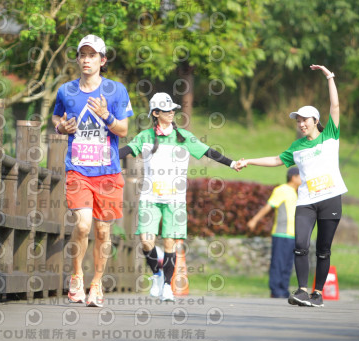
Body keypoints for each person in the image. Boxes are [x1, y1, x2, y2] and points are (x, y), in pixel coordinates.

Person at [236, 64, 347, 307]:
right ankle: (302, 290)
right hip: (306, 201)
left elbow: (335, 107)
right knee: (300, 245)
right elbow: (276, 160)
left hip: (330, 199)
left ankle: (317, 294)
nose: (300, 124)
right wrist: (249, 161)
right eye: (298, 121)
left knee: (323, 249)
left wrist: (329, 77)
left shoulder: (330, 135)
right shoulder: (296, 147)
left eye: (304, 120)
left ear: (315, 120)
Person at [119, 92, 239, 301]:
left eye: (173, 109)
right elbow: (127, 150)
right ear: (156, 113)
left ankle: (167, 285)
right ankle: (156, 275)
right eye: (167, 110)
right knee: (146, 241)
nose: (172, 112)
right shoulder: (145, 137)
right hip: (150, 197)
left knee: (169, 243)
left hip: (175, 200)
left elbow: (208, 151)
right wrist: (105, 156)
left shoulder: (184, 137)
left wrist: (231, 163)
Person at [52, 34, 133, 307]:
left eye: (92, 55)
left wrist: (106, 115)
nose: (86, 60)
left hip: (108, 172)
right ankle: (77, 275)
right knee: (83, 224)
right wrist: (60, 127)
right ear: (78, 58)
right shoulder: (66, 91)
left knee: (103, 231)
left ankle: (96, 283)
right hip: (78, 170)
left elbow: (123, 129)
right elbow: (56, 116)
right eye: (82, 55)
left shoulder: (116, 91)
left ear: (102, 60)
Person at [247, 167, 301, 299]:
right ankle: (276, 291)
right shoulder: (282, 190)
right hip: (281, 234)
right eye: (301, 176)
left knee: (288, 265)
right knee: (278, 264)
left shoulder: (296, 192)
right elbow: (268, 206)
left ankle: (283, 290)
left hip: (293, 235)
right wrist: (254, 220)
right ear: (293, 177)